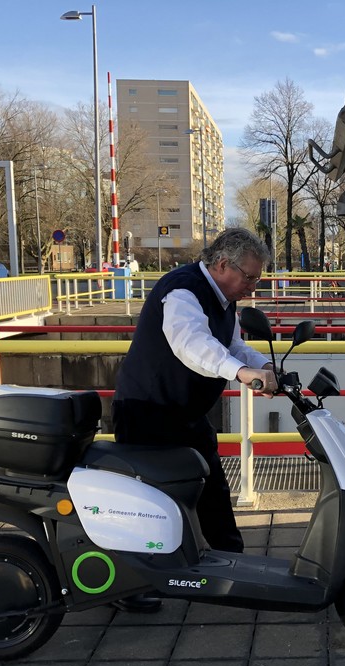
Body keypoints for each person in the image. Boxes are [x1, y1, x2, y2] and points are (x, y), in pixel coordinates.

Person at [110, 228, 277, 612]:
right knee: (148, 502)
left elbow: (231, 345)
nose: (252, 287)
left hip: (185, 412)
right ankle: (125, 585)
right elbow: (192, 345)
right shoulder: (182, 290)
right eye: (249, 278)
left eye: (256, 279)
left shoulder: (225, 299)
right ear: (223, 265)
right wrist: (241, 373)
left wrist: (264, 365)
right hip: (147, 410)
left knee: (211, 484)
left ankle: (232, 563)